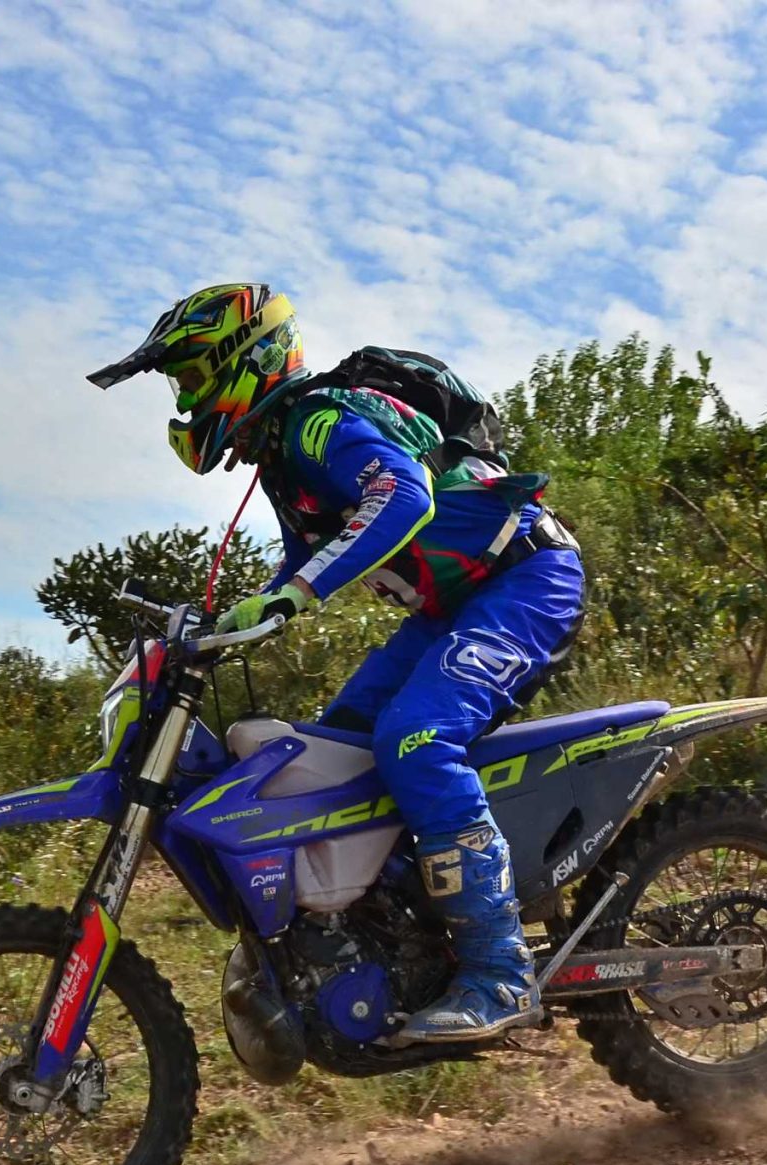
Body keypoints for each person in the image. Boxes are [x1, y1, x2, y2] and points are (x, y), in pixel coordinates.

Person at [88, 283, 585, 1042]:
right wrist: (229, 622)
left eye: (190, 378)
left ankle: (500, 971)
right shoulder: (284, 465)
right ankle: (398, 943)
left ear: (243, 363)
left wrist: (290, 597)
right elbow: (300, 565)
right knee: (332, 751)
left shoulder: (318, 423)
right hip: (452, 606)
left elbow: (404, 496)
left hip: (526, 577)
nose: (186, 400)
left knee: (416, 740)